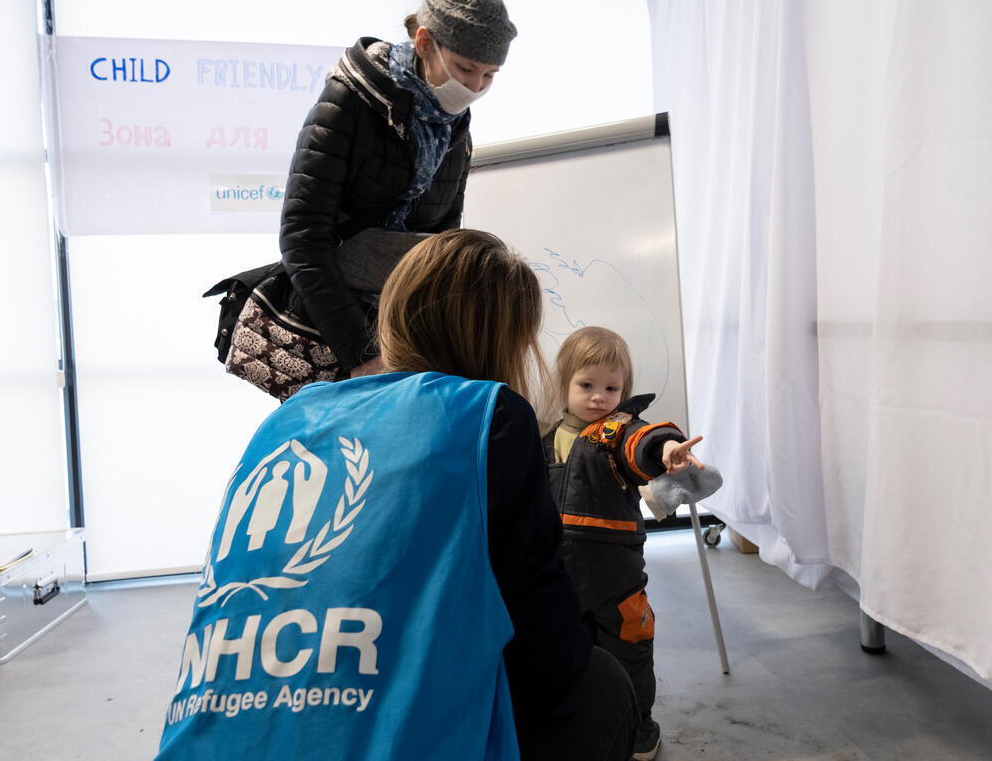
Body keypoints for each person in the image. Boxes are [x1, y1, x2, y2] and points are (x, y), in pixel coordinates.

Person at [159, 231, 637, 760]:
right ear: (507, 338)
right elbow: (546, 658)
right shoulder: (488, 415)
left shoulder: (289, 417)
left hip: (206, 746)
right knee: (603, 686)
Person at [276, 0, 517, 380]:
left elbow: (441, 246)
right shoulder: (349, 100)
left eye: (490, 75)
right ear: (424, 43)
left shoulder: (455, 126)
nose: (475, 87)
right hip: (334, 334)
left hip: (404, 336)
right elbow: (303, 236)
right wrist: (361, 355)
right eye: (466, 68)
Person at [543, 326, 705, 761]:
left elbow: (643, 442)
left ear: (623, 392)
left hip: (616, 575)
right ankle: (581, 727)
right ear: (564, 384)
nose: (599, 397)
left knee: (628, 651)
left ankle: (638, 729)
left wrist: (667, 448)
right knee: (568, 654)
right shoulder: (544, 437)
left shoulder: (617, 430)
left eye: (611, 388)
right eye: (587, 385)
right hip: (557, 574)